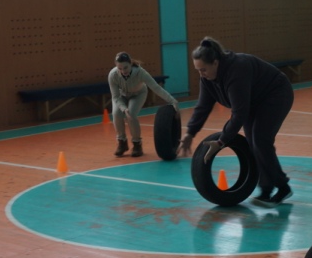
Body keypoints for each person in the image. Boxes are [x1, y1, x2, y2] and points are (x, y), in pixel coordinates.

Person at [178, 37, 295, 206]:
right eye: (198, 70)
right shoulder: (207, 78)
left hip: (275, 94)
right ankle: (266, 189)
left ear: (215, 63)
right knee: (252, 143)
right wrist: (190, 132)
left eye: (203, 69)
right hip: (253, 100)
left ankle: (283, 187)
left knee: (261, 140)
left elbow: (239, 113)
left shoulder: (237, 70)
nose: (201, 74)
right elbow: (202, 107)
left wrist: (221, 141)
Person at [108, 52, 179, 157]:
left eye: (125, 67)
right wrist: (123, 108)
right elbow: (115, 97)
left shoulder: (140, 72)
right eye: (120, 68)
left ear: (130, 63)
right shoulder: (113, 75)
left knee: (131, 114)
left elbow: (156, 88)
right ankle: (122, 142)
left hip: (138, 94)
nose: (123, 71)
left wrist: (172, 100)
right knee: (116, 114)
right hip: (121, 96)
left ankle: (137, 144)